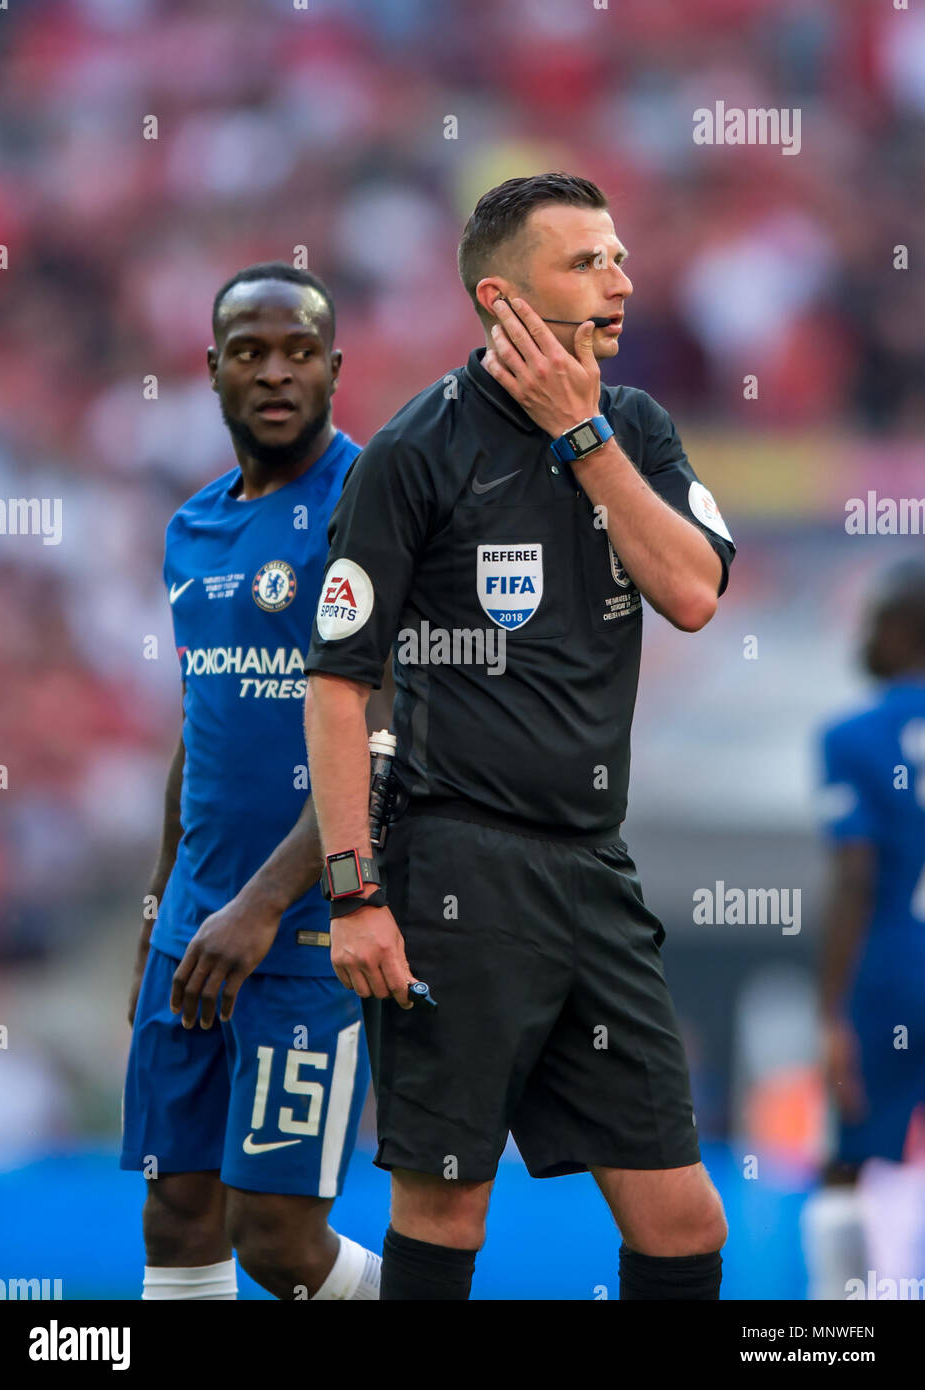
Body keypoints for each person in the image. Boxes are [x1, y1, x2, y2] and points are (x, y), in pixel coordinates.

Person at [303, 173, 736, 1300]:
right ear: (501, 297)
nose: (620, 281)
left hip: (592, 864)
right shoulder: (415, 450)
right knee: (447, 1203)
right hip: (457, 866)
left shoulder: (634, 427)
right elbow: (338, 685)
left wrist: (582, 436)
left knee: (681, 1218)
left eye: (620, 258)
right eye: (587, 262)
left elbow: (691, 593)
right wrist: (353, 893)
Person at [121, 263, 380, 1301]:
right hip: (195, 918)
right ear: (212, 370)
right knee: (176, 1209)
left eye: (299, 352)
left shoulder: (369, 502)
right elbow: (202, 727)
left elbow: (381, 726)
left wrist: (265, 904)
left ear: (334, 369)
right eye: (249, 352)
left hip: (308, 922)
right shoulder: (193, 527)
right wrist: (160, 906)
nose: (275, 372)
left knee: (275, 1236)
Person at [803, 559, 925, 1299]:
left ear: (907, 627)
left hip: (890, 974)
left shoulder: (854, 735)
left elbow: (854, 876)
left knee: (848, 1161)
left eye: (875, 620)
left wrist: (828, 1013)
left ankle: (837, 1333)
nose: (862, 636)